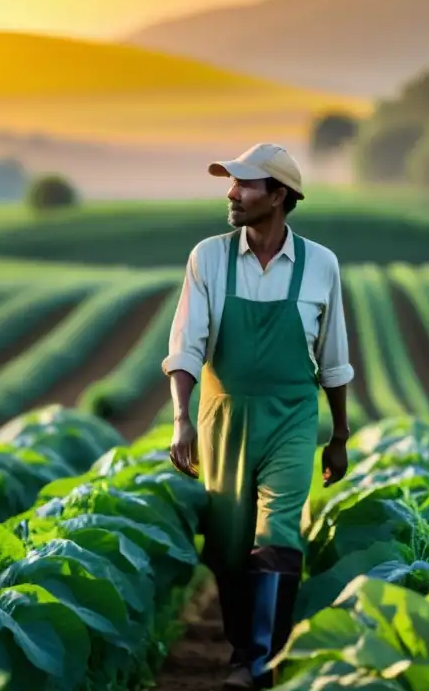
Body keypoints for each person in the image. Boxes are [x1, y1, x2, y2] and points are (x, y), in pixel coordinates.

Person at [162, 142, 354, 690]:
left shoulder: (321, 265)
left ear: (280, 196)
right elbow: (186, 346)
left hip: (293, 416)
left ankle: (260, 661)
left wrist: (338, 436)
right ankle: (243, 646)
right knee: (228, 546)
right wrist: (182, 418)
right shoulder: (208, 257)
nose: (232, 193)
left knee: (277, 535)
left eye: (245, 184)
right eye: (232, 182)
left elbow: (334, 358)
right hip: (223, 418)